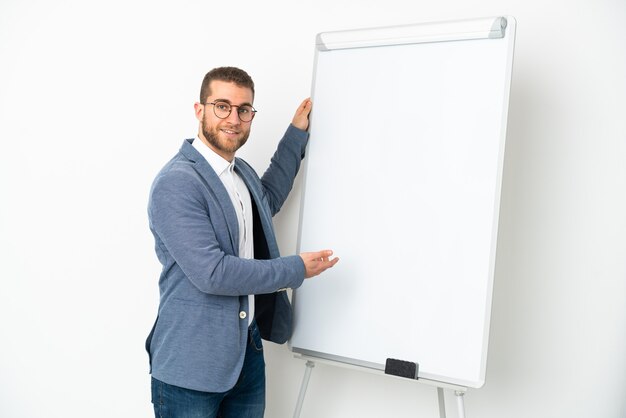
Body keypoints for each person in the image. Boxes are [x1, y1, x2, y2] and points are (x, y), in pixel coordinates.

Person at [145, 66, 338, 418]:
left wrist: (296, 133)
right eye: (222, 106)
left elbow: (268, 199)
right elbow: (214, 274)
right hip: (191, 364)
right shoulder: (177, 183)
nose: (233, 118)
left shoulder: (240, 173)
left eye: (244, 109)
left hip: (245, 352)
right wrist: (295, 269)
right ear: (199, 110)